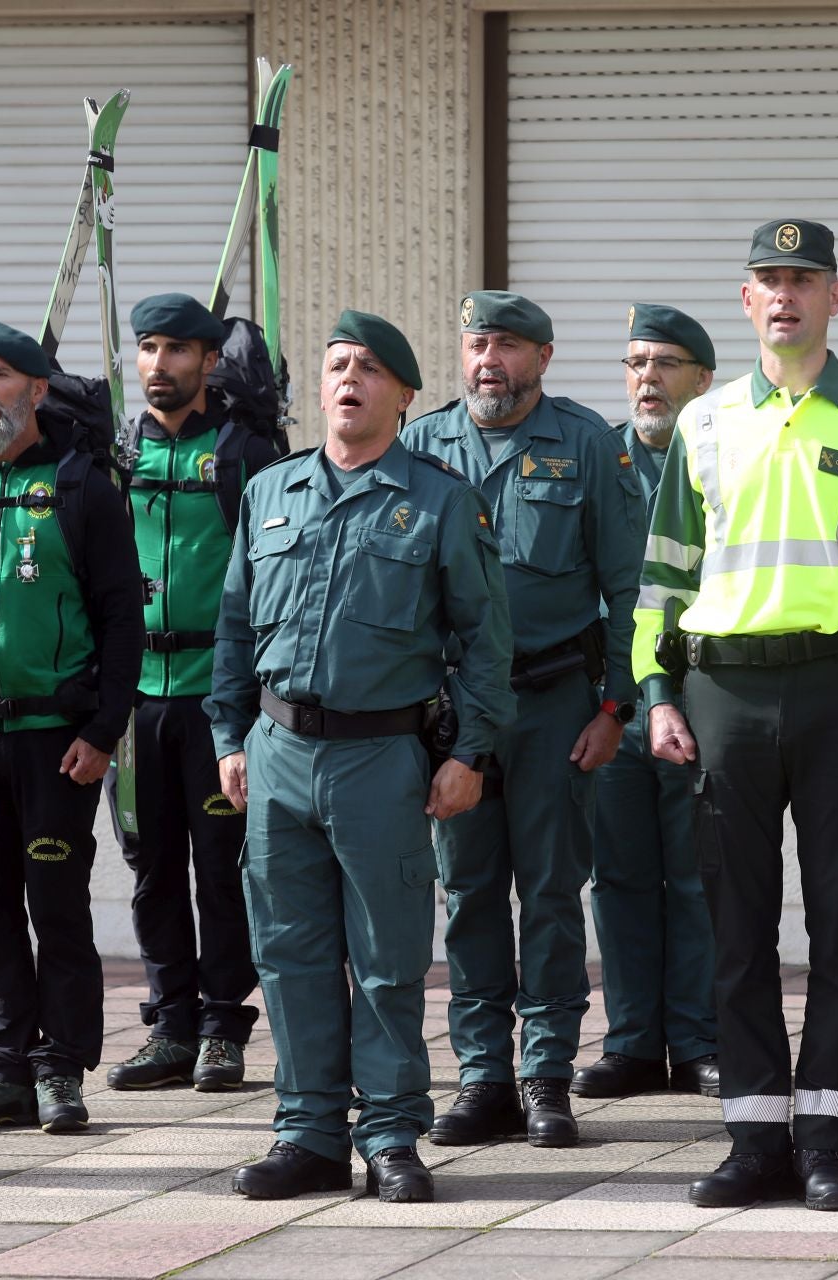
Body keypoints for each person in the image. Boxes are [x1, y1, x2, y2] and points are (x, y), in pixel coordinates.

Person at [637, 218, 838, 1211]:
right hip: (722, 693)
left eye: (804, 280)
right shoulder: (705, 421)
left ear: (834, 299)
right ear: (747, 302)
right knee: (736, 924)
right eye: (767, 279)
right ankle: (753, 1133)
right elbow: (660, 582)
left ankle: (825, 1135)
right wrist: (656, 693)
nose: (784, 295)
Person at [209, 311, 513, 1203]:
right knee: (290, 955)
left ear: (406, 395)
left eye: (372, 369)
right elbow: (233, 627)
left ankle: (389, 1136)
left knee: (385, 959)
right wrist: (230, 739)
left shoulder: (442, 499)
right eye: (338, 365)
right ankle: (305, 1136)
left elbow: (484, 645)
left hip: (381, 758)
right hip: (277, 753)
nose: (350, 379)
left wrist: (470, 755)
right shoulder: (272, 492)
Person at [404, 291, 644, 1149]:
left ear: (543, 357)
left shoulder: (587, 445)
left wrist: (618, 706)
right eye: (476, 342)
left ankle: (547, 1077)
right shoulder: (423, 443)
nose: (487, 360)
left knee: (547, 894)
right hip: (459, 713)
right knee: (468, 894)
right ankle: (481, 1078)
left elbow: (630, 590)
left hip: (553, 707)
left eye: (506, 344)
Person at [0, 317, 144, 1137]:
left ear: (39, 390)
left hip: (54, 740)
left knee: (56, 906)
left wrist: (102, 729)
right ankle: (3, 1069)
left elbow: (122, 619)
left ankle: (61, 1069)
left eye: (1, 376)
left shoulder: (83, 486)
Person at [103, 294, 281, 1095]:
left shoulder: (244, 453)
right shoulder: (113, 453)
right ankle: (169, 1024)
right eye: (148, 348)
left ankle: (222, 1025)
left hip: (216, 693)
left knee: (220, 864)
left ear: (211, 362)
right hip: (134, 695)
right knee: (150, 867)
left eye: (179, 350)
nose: (160, 365)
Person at [571, 303, 720, 1102]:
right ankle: (631, 1041)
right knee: (621, 875)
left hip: (707, 693)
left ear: (703, 377)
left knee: (697, 875)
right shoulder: (597, 457)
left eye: (665, 363)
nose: (647, 379)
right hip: (615, 706)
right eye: (635, 364)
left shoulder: (725, 455)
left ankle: (698, 1038)